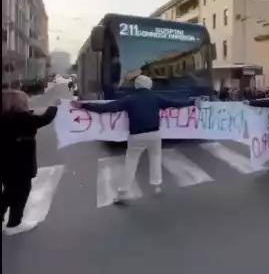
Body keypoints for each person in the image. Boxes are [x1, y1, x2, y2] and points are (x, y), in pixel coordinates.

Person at [71, 75, 197, 205]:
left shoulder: (129, 99)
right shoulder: (156, 98)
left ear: (136, 85)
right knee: (155, 158)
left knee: (131, 162)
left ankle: (124, 192)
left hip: (136, 136)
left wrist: (83, 106)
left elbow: (106, 108)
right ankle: (157, 186)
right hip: (154, 134)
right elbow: (176, 104)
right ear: (149, 85)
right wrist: (193, 102)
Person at [1, 90, 59, 235]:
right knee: (21, 193)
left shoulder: (4, 118)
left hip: (5, 165)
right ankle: (14, 224)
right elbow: (45, 119)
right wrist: (54, 106)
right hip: (20, 165)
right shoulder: (24, 119)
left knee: (9, 192)